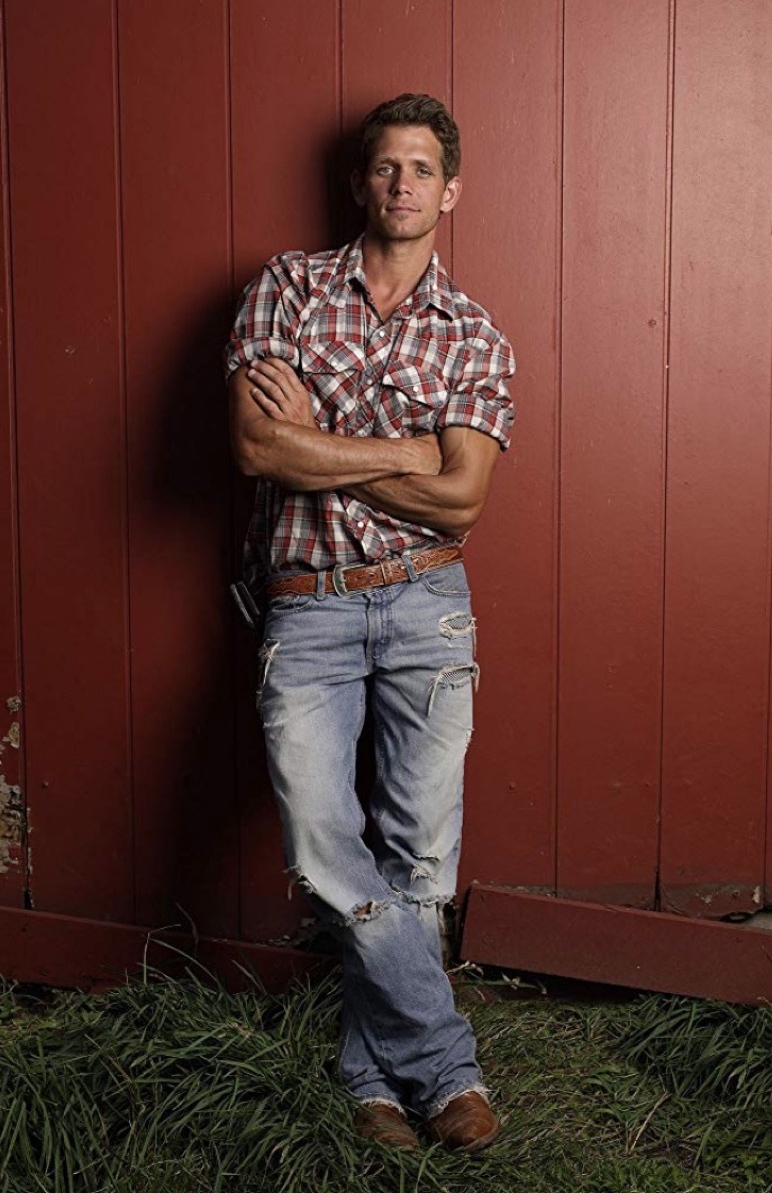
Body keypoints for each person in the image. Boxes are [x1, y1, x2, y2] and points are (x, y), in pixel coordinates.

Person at [225, 93, 515, 1152]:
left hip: (428, 604)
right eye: (384, 167)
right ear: (361, 184)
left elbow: (463, 502)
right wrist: (409, 453)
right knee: (322, 840)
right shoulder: (288, 290)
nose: (402, 185)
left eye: (421, 169)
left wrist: (334, 445)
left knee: (419, 856)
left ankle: (373, 1084)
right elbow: (262, 452)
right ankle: (445, 1064)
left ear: (450, 190)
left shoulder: (475, 333)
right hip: (306, 608)